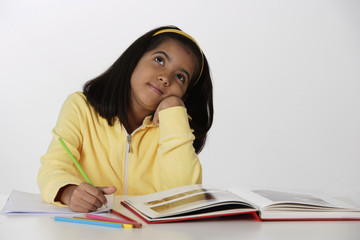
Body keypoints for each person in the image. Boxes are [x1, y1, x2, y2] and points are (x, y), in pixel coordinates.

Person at [38, 25, 213, 212]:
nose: (165, 78)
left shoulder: (175, 125)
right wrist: (69, 192)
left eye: (180, 77)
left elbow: (185, 199)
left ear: (184, 95)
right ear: (134, 60)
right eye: (159, 60)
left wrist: (174, 111)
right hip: (93, 229)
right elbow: (53, 167)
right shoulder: (80, 107)